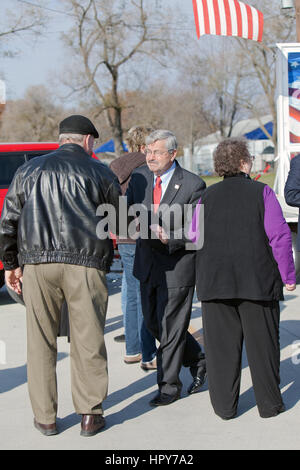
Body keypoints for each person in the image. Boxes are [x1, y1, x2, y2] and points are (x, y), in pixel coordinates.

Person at [0, 115, 122, 437]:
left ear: (62, 138)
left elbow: (9, 219)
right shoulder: (101, 172)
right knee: (89, 338)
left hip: (38, 264)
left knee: (40, 340)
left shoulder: (28, 170)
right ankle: (90, 414)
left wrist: (11, 263)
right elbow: (120, 222)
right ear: (87, 140)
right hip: (87, 263)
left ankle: (45, 418)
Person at [190, 138, 296, 420]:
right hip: (257, 282)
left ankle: (225, 407)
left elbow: (193, 237)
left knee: (221, 351)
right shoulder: (262, 192)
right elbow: (279, 237)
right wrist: (288, 275)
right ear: (242, 162)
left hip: (215, 283)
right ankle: (269, 405)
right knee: (264, 348)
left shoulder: (205, 198)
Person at [126, 129, 207, 407]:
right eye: (147, 151)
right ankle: (197, 357)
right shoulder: (139, 179)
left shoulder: (193, 184)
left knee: (170, 327)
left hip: (177, 266)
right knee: (152, 324)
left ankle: (169, 387)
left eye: (156, 152)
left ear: (173, 154)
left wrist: (170, 236)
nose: (150, 157)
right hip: (147, 264)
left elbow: (197, 231)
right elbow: (127, 214)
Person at [110, 126, 157, 369]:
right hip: (143, 232)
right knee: (144, 293)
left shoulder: (115, 166)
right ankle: (148, 352)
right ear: (143, 146)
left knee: (130, 291)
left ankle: (132, 349)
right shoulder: (148, 165)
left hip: (122, 233)